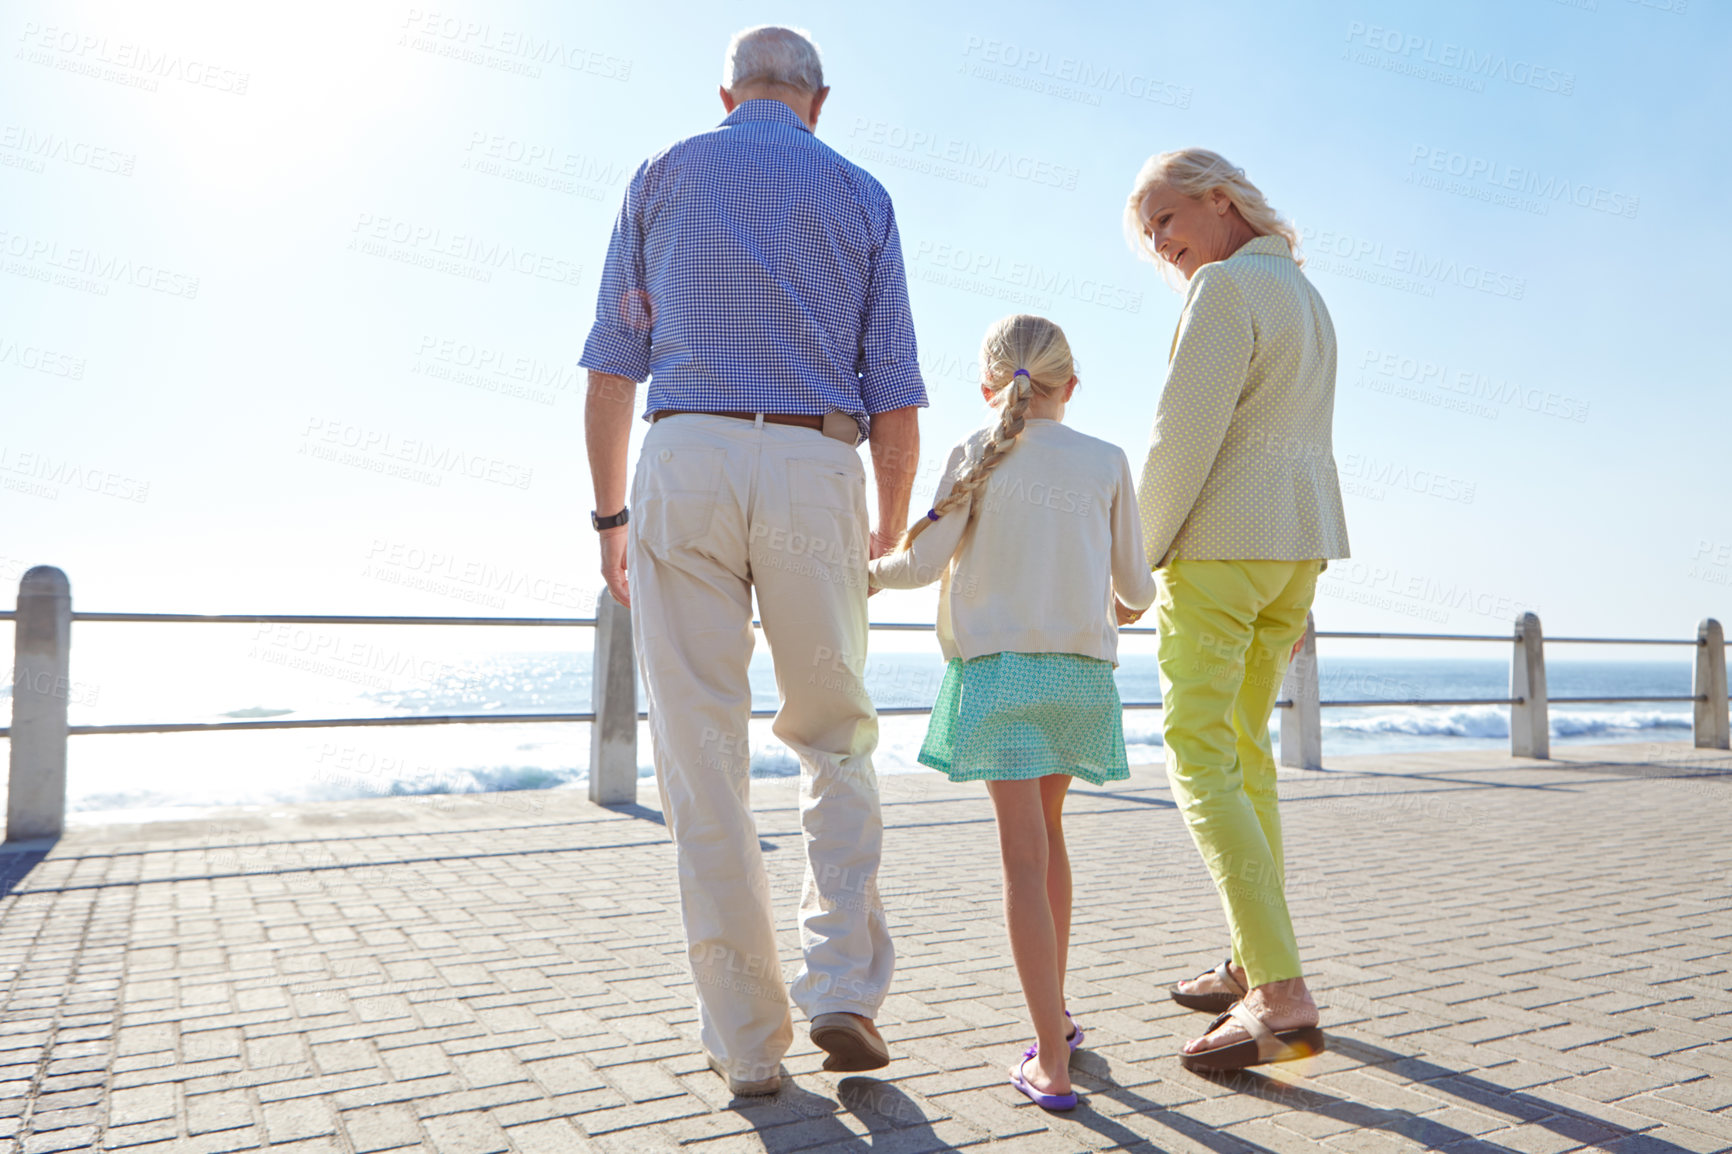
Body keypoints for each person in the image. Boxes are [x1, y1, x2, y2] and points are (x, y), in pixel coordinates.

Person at [580, 25, 927, 1097]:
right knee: (834, 733)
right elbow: (896, 393)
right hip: (815, 463)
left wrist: (609, 518)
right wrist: (886, 523)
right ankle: (843, 989)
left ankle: (745, 1039)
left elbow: (609, 367)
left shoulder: (661, 173)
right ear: (819, 101)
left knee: (700, 756)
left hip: (685, 452)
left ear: (726, 92)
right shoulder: (862, 194)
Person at [869, 314, 1156, 1111]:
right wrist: (1117, 603)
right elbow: (1138, 588)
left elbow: (921, 563)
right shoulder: (1106, 461)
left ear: (990, 386)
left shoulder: (976, 450)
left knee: (1022, 860)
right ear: (1072, 385)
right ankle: (1054, 1021)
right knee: (1050, 840)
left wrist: (866, 572)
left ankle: (1053, 1069)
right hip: (1078, 677)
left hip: (998, 675)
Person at [1124, 149, 1350, 1073]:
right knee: (1248, 757)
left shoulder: (1223, 289)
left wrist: (1129, 564)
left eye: (1167, 219)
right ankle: (1255, 958)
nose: (1162, 244)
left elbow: (1182, 437)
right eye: (1150, 234)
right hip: (1295, 550)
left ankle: (1282, 997)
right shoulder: (1307, 297)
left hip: (1219, 550)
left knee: (1202, 759)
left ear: (1219, 200)